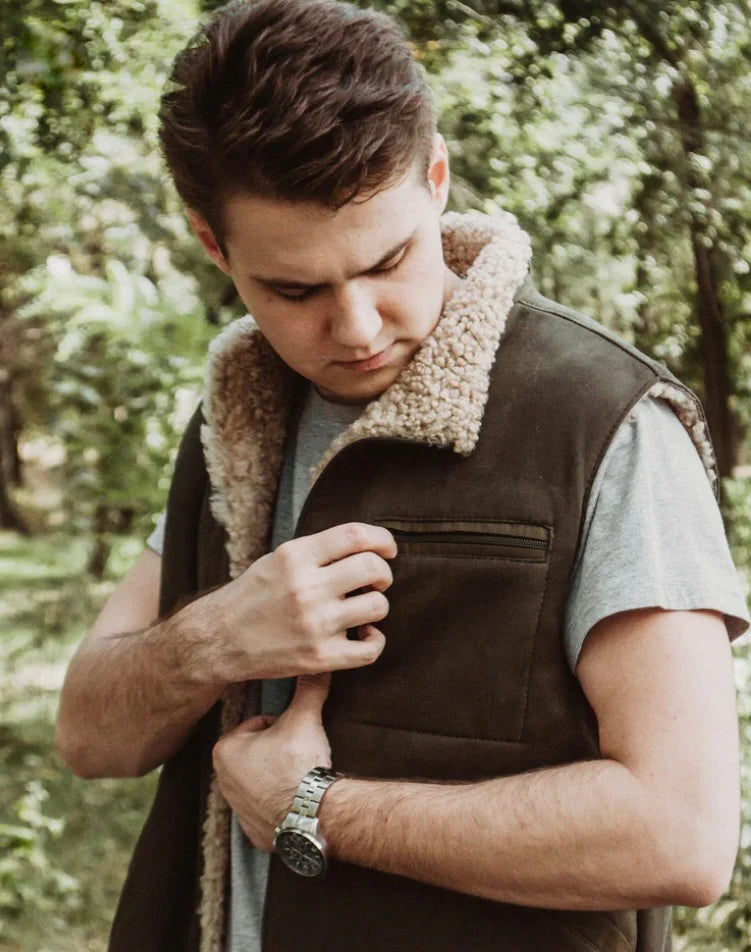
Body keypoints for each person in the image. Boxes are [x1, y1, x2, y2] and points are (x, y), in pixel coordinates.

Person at [56, 0, 750, 949]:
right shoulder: (238, 417)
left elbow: (682, 835)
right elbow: (92, 738)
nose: (356, 327)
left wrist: (315, 811)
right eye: (293, 290)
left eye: (387, 262)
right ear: (213, 246)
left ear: (434, 179)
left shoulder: (604, 423)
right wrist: (217, 636)